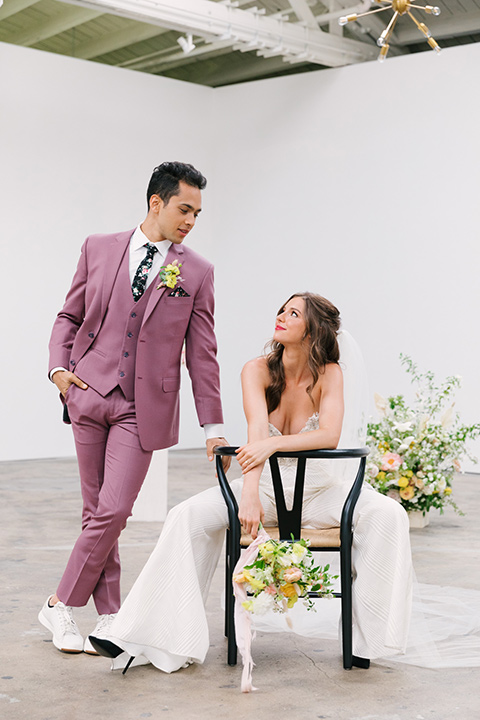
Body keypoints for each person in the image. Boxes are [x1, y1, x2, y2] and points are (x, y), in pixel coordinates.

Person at [89, 292, 413, 672]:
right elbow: (256, 431)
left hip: (323, 492)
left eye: (294, 313)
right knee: (185, 515)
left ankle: (368, 641)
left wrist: (274, 444)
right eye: (282, 309)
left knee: (389, 514)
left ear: (313, 331)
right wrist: (248, 493)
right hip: (263, 490)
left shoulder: (330, 373)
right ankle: (145, 637)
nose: (281, 317)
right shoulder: (256, 370)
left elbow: (328, 435)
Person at [39, 161, 228, 656]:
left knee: (115, 509)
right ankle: (110, 615)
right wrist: (60, 371)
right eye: (184, 209)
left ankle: (60, 603)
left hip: (141, 408)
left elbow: (201, 355)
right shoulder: (98, 247)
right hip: (86, 392)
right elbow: (69, 314)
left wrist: (214, 426)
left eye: (197, 213)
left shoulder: (197, 272)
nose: (190, 220)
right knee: (96, 511)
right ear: (156, 203)